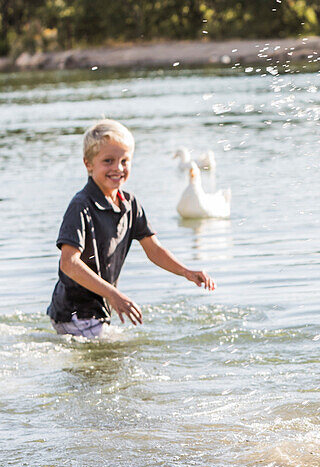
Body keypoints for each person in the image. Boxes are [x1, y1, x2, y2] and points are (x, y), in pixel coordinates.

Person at [48, 120, 216, 338]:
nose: (118, 168)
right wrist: (114, 294)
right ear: (88, 164)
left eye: (124, 161)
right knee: (117, 361)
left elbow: (154, 249)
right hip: (74, 311)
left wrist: (186, 272)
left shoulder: (130, 204)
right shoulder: (81, 206)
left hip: (97, 311)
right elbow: (69, 263)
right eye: (108, 161)